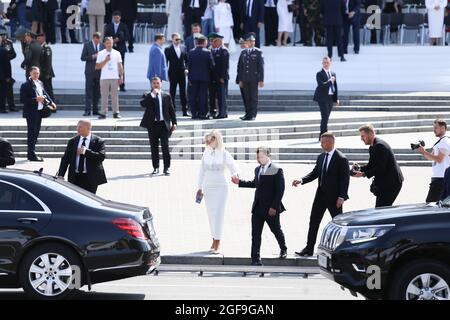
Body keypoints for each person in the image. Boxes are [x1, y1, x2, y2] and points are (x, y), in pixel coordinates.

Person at [292, 132, 350, 256]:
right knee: (313, 221)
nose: (321, 144)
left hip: (335, 198)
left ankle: (342, 249)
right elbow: (314, 173)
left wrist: (341, 197)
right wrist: (301, 180)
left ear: (331, 142)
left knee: (339, 224)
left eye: (323, 142)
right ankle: (309, 248)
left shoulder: (341, 159)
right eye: (321, 142)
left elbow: (345, 180)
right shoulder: (321, 157)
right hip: (320, 196)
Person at [232, 146, 288, 266]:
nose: (259, 159)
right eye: (257, 157)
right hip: (258, 207)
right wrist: (240, 182)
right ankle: (256, 259)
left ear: (268, 156)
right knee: (255, 234)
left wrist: (274, 207)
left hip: (270, 209)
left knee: (276, 230)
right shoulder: (257, 169)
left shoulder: (276, 169)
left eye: (261, 157)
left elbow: (280, 190)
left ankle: (283, 248)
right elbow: (255, 184)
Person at [197, 130, 239, 254]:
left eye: (211, 140)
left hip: (221, 186)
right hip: (208, 186)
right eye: (207, 140)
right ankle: (213, 239)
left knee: (219, 214)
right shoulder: (206, 153)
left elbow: (234, 167)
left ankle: (218, 241)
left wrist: (235, 175)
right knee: (211, 214)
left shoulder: (224, 153)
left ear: (217, 139)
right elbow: (201, 171)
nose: (209, 142)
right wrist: (199, 187)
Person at [352, 124, 404, 208]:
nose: (361, 139)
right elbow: (371, 165)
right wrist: (359, 168)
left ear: (370, 134)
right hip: (385, 183)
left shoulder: (380, 146)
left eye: (363, 136)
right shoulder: (373, 147)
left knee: (381, 209)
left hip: (392, 183)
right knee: (381, 209)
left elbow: (380, 168)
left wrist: (363, 174)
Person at [57, 120, 107, 194]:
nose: (77, 129)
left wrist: (85, 152)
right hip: (75, 177)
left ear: (88, 128)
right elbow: (65, 159)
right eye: (77, 126)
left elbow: (101, 157)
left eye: (80, 127)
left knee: (90, 200)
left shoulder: (98, 141)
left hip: (90, 178)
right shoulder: (73, 141)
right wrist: (61, 175)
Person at [140, 77, 177, 176]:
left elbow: (171, 110)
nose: (156, 85)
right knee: (154, 147)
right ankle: (155, 167)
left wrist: (174, 123)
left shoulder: (166, 95)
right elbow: (142, 104)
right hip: (152, 125)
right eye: (154, 83)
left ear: (161, 84)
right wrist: (152, 95)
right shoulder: (147, 95)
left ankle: (166, 168)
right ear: (151, 84)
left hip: (163, 124)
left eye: (158, 83)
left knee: (165, 146)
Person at [20, 66, 57, 162]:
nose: (36, 75)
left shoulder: (40, 83)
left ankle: (31, 153)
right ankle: (31, 154)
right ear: (30, 74)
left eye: (37, 73)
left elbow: (44, 93)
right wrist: (35, 99)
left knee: (36, 133)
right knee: (32, 133)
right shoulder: (25, 85)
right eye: (34, 73)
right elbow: (22, 99)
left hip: (40, 111)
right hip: (31, 112)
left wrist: (51, 102)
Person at [415, 119, 450, 203]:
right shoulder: (441, 141)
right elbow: (431, 158)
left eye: (436, 128)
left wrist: (424, 151)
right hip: (438, 178)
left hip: (441, 179)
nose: (434, 130)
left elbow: (439, 159)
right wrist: (423, 151)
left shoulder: (444, 141)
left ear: (442, 128)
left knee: (430, 204)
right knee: (435, 204)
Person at [237, 34, 264, 121]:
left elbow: (261, 67)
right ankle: (247, 114)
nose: (251, 43)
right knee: (247, 97)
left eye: (253, 41)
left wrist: (261, 80)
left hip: (253, 78)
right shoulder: (243, 52)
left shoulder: (258, 52)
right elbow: (240, 67)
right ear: (246, 42)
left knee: (253, 97)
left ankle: (253, 114)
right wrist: (240, 79)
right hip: (245, 78)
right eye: (249, 41)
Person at [96, 37, 123, 119]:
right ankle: (103, 113)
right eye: (107, 43)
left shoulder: (117, 53)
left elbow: (120, 66)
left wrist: (121, 76)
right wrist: (106, 60)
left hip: (114, 77)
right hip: (104, 77)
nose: (109, 44)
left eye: (110, 42)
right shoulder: (101, 53)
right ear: (104, 44)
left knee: (115, 96)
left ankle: (116, 112)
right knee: (104, 96)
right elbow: (97, 67)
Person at [187, 35, 215, 120]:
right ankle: (203, 114)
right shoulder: (207, 52)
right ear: (204, 42)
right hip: (204, 78)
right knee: (203, 96)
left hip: (193, 78)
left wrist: (189, 78)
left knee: (193, 96)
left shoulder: (191, 52)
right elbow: (212, 66)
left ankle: (194, 114)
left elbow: (189, 66)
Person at [165, 33, 190, 116]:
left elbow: (187, 60)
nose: (178, 41)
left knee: (183, 92)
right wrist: (166, 74)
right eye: (176, 39)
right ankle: (172, 110)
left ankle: (185, 110)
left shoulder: (183, 48)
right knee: (172, 92)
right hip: (172, 73)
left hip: (182, 73)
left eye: (179, 39)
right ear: (172, 39)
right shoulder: (168, 49)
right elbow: (166, 62)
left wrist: (186, 68)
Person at [104, 11, 129, 92]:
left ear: (120, 18)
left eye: (117, 18)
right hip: (111, 49)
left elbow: (127, 36)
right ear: (113, 18)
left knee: (121, 67)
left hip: (121, 49)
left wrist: (118, 39)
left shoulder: (123, 26)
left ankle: (121, 85)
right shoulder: (109, 26)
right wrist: (111, 41)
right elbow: (105, 36)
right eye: (115, 18)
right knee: (111, 66)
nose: (116, 19)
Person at [313, 56, 338, 138]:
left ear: (330, 63)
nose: (326, 64)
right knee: (324, 116)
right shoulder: (319, 73)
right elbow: (321, 86)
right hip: (322, 98)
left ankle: (323, 134)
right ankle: (323, 134)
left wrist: (336, 98)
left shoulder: (333, 73)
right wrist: (330, 81)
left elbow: (335, 87)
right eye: (324, 62)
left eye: (327, 62)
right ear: (322, 63)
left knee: (327, 116)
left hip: (330, 97)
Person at [81, 32, 104, 116]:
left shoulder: (102, 46)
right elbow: (82, 57)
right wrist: (92, 57)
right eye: (96, 38)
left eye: (99, 39)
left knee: (97, 92)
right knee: (88, 91)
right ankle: (87, 110)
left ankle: (95, 109)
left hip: (99, 71)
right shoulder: (87, 45)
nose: (97, 40)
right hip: (89, 72)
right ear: (93, 38)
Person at [209, 33, 229, 119]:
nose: (212, 43)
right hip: (213, 78)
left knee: (221, 96)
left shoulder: (224, 51)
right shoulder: (211, 50)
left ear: (219, 41)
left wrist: (222, 77)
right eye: (211, 41)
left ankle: (222, 113)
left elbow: (225, 66)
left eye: (214, 41)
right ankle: (213, 112)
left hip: (221, 78)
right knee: (212, 96)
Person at [0, 27, 17, 112]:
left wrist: (6, 58)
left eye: (3, 35)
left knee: (9, 88)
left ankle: (12, 106)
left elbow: (13, 54)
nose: (2, 36)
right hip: (2, 68)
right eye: (1, 35)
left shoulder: (8, 43)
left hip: (6, 66)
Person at [36, 33, 55, 102]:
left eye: (39, 38)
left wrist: (47, 73)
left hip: (46, 73)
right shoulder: (39, 47)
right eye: (37, 38)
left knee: (48, 90)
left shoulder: (46, 48)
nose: (37, 39)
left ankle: (52, 105)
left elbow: (48, 62)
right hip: (41, 72)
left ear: (43, 38)